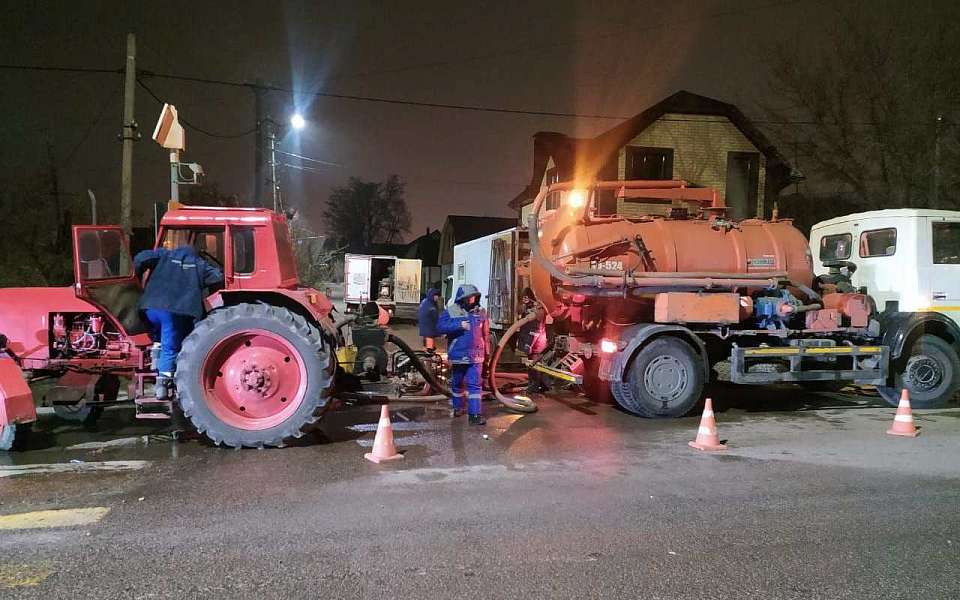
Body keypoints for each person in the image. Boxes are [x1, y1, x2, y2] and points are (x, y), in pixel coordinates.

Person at [135, 239, 224, 399]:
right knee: (171, 345)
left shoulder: (164, 255)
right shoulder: (199, 264)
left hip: (149, 307)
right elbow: (217, 277)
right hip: (172, 311)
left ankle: (155, 359)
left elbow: (141, 258)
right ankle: (162, 384)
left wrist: (137, 276)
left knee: (158, 338)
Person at [437, 284, 489, 425]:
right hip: (458, 355)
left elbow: (485, 334)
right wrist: (459, 325)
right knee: (457, 383)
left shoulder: (481, 312)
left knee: (475, 386)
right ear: (462, 298)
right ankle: (457, 408)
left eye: (474, 296)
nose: (472, 299)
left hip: (476, 355)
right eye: (469, 297)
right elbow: (440, 327)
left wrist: (487, 354)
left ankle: (475, 415)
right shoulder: (451, 311)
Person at [517, 287, 550, 394]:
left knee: (533, 365)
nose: (524, 299)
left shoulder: (537, 309)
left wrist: (529, 344)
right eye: (523, 297)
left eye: (526, 297)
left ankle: (534, 386)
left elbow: (536, 328)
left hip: (535, 343)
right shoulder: (529, 308)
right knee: (536, 365)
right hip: (533, 342)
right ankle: (543, 385)